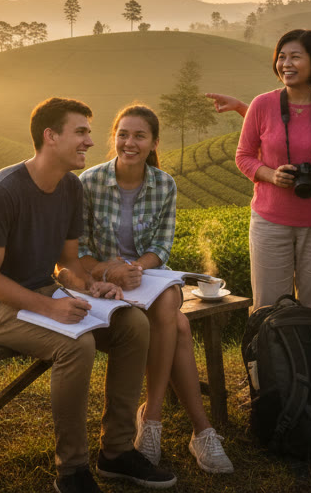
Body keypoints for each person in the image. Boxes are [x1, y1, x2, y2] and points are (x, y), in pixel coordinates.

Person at [0, 97, 174, 493]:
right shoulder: (2, 192)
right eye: (81, 132)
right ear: (50, 136)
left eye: (88, 133)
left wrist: (93, 287)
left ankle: (115, 451)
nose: (90, 142)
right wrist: (50, 307)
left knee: (133, 323)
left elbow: (67, 264)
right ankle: (72, 470)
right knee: (77, 347)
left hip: (43, 292)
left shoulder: (70, 189)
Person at [78, 104, 233, 474]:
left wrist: (135, 268)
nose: (129, 143)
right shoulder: (89, 182)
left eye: (139, 136)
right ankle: (196, 429)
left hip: (147, 278)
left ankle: (153, 419)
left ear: (153, 143)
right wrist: (112, 271)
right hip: (101, 283)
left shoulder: (164, 184)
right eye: (123, 134)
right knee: (178, 326)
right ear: (114, 137)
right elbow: (81, 250)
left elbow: (161, 248)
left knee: (166, 300)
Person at [207, 29, 311, 316]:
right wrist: (271, 175)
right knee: (268, 307)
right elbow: (243, 156)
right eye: (281, 57)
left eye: (295, 57)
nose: (286, 64)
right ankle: (268, 361)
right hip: (270, 222)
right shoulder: (263, 104)